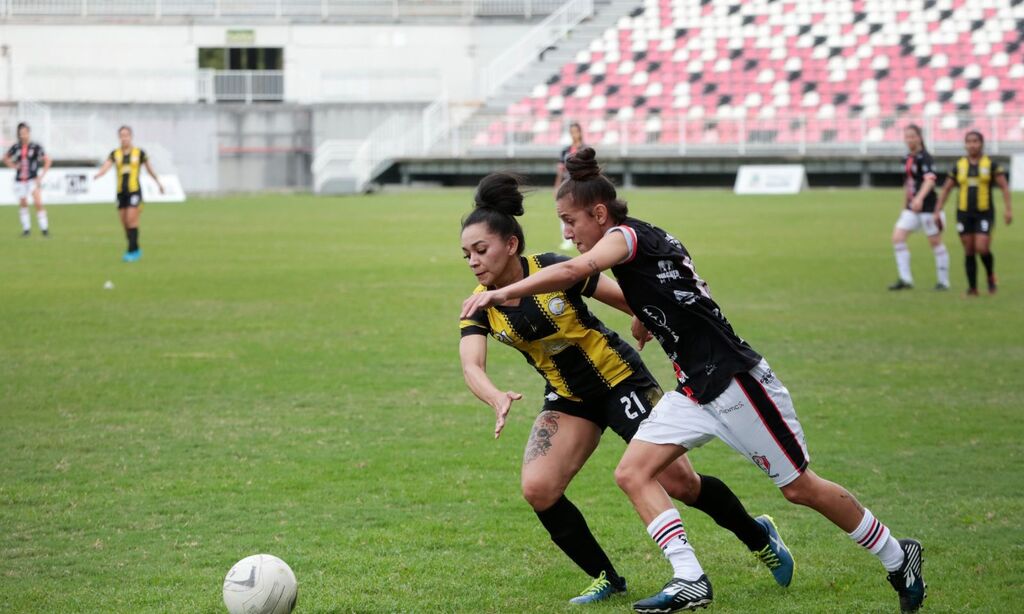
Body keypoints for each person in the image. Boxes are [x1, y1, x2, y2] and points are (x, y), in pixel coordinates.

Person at [461, 149, 926, 614]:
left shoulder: (625, 237)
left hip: (732, 380)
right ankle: (689, 579)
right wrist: (645, 316)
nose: (566, 232)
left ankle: (896, 554)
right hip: (692, 386)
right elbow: (662, 291)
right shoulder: (636, 241)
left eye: (570, 221)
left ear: (598, 214)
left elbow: (576, 270)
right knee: (632, 472)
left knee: (799, 488)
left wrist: (503, 292)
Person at [459, 173, 794, 606]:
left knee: (681, 483)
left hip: (620, 381)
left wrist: (645, 317)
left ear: (511, 245)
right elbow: (471, 363)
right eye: (466, 254)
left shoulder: (552, 271)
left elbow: (629, 297)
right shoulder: (479, 303)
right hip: (569, 399)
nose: (472, 261)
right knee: (538, 488)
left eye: (480, 250)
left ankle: (758, 534)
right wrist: (495, 396)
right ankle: (606, 578)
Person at [935, 130, 1013, 296]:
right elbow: (947, 188)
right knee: (969, 250)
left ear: (981, 143)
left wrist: (1008, 209)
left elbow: (1004, 186)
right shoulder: (959, 166)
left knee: (982, 247)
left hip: (984, 213)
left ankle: (990, 276)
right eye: (969, 141)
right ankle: (972, 289)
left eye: (975, 141)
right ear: (965, 144)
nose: (972, 145)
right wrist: (938, 210)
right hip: (963, 213)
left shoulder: (991, 165)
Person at [889, 124, 950, 291]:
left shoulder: (926, 157)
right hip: (911, 208)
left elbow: (930, 180)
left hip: (928, 207)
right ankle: (905, 279)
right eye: (907, 137)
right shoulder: (907, 158)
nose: (909, 140)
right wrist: (905, 205)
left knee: (935, 242)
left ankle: (943, 282)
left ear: (919, 137)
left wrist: (919, 198)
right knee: (897, 238)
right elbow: (908, 182)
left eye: (912, 136)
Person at [93, 126, 164, 262]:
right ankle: (136, 248)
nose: (124, 138)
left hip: (134, 191)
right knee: (125, 223)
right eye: (122, 135)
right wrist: (100, 173)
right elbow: (106, 165)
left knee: (132, 219)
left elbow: (149, 169)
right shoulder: (115, 153)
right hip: (121, 192)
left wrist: (158, 183)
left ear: (131, 136)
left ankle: (131, 252)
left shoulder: (139, 153)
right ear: (119, 137)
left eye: (126, 135)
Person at [3, 122, 52, 237]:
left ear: (29, 133)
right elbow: (5, 158)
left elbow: (47, 160)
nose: (23, 135)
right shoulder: (16, 147)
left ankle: (44, 229)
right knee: (23, 203)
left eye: (25, 133)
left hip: (32, 179)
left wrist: (41, 176)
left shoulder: (36, 147)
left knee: (38, 203)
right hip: (20, 180)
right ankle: (26, 230)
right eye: (21, 133)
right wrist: (14, 166)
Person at [555, 122, 586, 251]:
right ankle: (567, 239)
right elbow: (561, 171)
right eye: (571, 132)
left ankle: (582, 236)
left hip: (581, 185)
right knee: (564, 211)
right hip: (567, 185)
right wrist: (557, 186)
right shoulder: (565, 151)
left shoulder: (585, 149)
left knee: (581, 212)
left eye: (575, 132)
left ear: (580, 132)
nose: (574, 135)